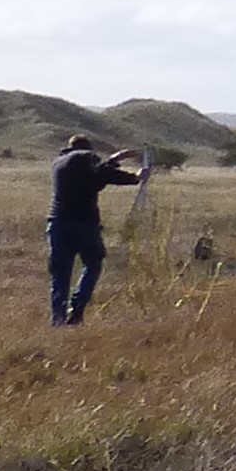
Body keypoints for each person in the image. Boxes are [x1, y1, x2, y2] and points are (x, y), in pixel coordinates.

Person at [46, 132, 146, 326]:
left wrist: (114, 160)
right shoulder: (85, 156)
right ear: (88, 148)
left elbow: (93, 179)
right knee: (93, 263)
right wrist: (135, 178)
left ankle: (57, 318)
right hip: (83, 223)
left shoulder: (58, 162)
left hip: (57, 222)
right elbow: (102, 175)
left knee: (60, 274)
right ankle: (77, 307)